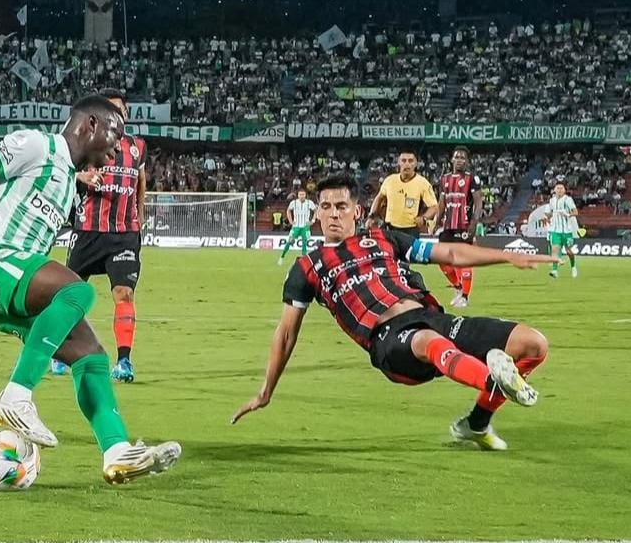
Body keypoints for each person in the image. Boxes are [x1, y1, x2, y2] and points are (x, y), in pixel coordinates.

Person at [0, 95, 180, 484]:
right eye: (115, 135)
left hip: (14, 285)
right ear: (91, 125)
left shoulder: (67, 182)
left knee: (91, 355)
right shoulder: (35, 145)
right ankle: (16, 394)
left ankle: (116, 452)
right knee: (78, 292)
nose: (119, 148)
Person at [233, 175, 555, 451]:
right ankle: (495, 380)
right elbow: (287, 333)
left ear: (357, 211)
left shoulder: (383, 238)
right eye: (327, 207)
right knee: (427, 340)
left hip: (431, 318)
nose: (334, 214)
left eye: (341, 206)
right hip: (388, 341)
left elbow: (452, 253)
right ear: (317, 213)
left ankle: (477, 423)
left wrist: (507, 256)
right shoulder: (307, 268)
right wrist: (266, 390)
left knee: (533, 344)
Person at [54, 89, 147, 383]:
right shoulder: (88, 142)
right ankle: (62, 353)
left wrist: (140, 215)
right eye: (112, 111)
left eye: (122, 111)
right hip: (88, 232)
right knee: (69, 294)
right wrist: (82, 177)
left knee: (124, 294)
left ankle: (124, 362)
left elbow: (141, 180)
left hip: (124, 235)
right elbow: (65, 170)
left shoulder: (138, 147)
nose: (118, 116)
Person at [432, 146, 485, 307]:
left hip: (464, 225)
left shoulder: (472, 179)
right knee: (441, 260)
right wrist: (436, 222)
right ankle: (457, 286)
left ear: (467, 161)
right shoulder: (444, 179)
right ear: (452, 160)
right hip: (448, 226)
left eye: (463, 158)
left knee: (464, 261)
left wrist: (474, 224)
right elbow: (442, 204)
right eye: (457, 157)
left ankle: (465, 297)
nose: (460, 160)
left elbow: (478, 203)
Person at [368, 150, 438, 239]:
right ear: (399, 162)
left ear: (416, 163)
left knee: (408, 253)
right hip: (390, 228)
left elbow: (434, 206)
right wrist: (371, 216)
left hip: (410, 230)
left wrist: (423, 218)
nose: (407, 164)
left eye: (410, 161)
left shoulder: (423, 183)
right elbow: (379, 198)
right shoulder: (390, 180)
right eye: (404, 160)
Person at [539, 182, 580, 278]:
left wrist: (567, 214)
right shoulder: (552, 201)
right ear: (554, 190)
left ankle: (573, 266)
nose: (560, 190)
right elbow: (550, 214)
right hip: (555, 230)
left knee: (569, 251)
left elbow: (576, 212)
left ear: (564, 190)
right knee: (555, 250)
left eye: (562, 188)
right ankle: (554, 271)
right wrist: (547, 216)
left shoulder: (568, 200)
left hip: (566, 230)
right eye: (558, 188)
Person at [277, 189, 316, 266]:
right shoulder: (294, 203)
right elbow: (288, 210)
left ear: (305, 195)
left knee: (304, 243)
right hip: (296, 226)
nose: (301, 196)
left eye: (303, 194)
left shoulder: (309, 203)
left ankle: (304, 261)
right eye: (300, 194)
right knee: (290, 241)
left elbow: (315, 210)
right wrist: (290, 221)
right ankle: (282, 257)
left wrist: (313, 220)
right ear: (298, 195)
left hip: (305, 226)